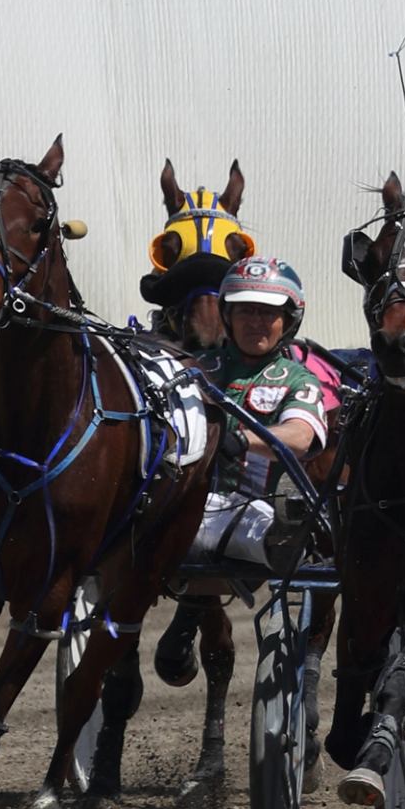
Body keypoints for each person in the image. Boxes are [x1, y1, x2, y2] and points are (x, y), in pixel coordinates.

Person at [155, 256, 327, 684]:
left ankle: (189, 614)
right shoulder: (192, 372)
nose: (257, 322)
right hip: (186, 506)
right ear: (227, 315)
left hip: (255, 511)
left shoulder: (298, 379)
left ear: (288, 320)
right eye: (247, 310)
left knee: (263, 535)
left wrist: (244, 440)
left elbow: (302, 436)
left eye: (269, 312)